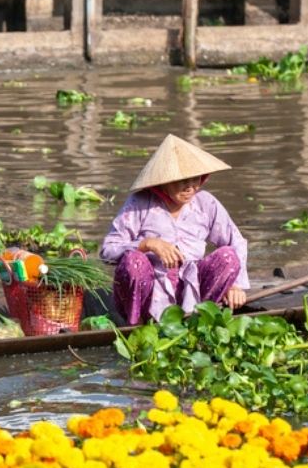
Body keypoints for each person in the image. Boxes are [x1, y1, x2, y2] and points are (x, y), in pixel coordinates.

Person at [100, 133, 249, 325]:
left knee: (228, 256)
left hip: (194, 291)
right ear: (163, 182)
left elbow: (236, 241)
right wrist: (148, 244)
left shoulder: (206, 204)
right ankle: (137, 324)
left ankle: (198, 320)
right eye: (182, 181)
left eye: (194, 179)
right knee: (133, 261)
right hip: (147, 295)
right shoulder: (140, 203)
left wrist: (235, 285)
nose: (190, 187)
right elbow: (107, 251)